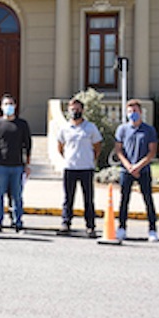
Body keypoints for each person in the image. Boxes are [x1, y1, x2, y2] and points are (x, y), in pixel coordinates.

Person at [57, 98, 102, 238]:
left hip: (86, 168)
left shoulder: (90, 127)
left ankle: (90, 226)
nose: (74, 111)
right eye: (72, 109)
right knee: (68, 198)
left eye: (77, 109)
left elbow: (97, 146)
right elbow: (60, 146)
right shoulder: (64, 128)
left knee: (88, 198)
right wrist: (68, 157)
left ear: (82, 110)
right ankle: (66, 223)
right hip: (70, 167)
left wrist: (91, 158)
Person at [114, 99, 158, 242]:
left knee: (148, 199)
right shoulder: (122, 129)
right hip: (126, 170)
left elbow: (152, 152)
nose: (133, 114)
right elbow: (119, 150)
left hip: (143, 170)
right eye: (130, 111)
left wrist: (138, 166)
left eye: (135, 111)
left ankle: (152, 229)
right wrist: (129, 166)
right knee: (124, 200)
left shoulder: (149, 130)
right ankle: (121, 228)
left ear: (141, 112)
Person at [0, 94, 31, 233]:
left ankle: (18, 222)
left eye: (11, 103)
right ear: (1, 106)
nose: (8, 106)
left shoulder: (22, 124)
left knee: (17, 196)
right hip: (1, 166)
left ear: (15, 106)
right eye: (6, 104)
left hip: (17, 166)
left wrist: (27, 165)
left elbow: (28, 145)